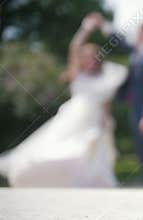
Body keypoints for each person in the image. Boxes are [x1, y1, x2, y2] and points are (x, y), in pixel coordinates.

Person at [0, 13, 127, 187]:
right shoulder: (78, 75)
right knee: (64, 147)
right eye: (87, 56)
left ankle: (86, 182)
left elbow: (105, 101)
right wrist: (86, 28)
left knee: (91, 151)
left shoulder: (104, 77)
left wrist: (106, 118)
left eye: (93, 56)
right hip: (75, 115)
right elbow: (74, 46)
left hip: (95, 118)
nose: (90, 59)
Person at [100, 17, 143, 189]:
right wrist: (105, 27)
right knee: (142, 150)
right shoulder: (139, 51)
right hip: (136, 108)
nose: (135, 35)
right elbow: (122, 45)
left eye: (138, 32)